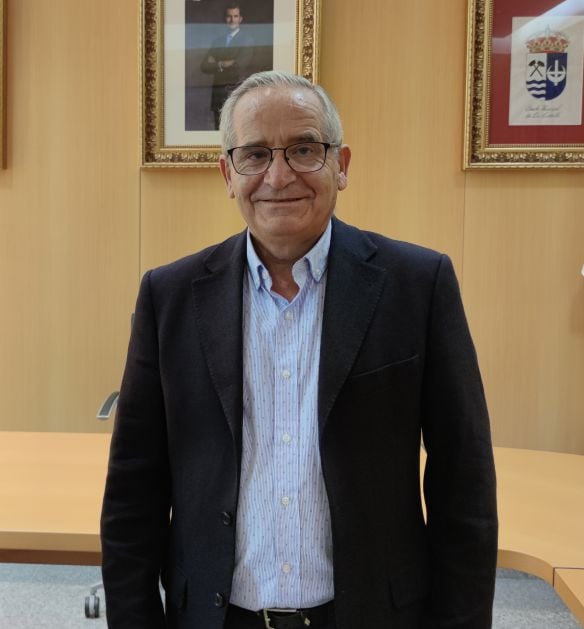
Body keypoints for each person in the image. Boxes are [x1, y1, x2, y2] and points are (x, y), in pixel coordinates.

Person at [100, 71, 497, 629]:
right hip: (215, 617)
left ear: (342, 165)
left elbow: (465, 482)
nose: (279, 175)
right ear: (227, 173)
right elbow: (133, 490)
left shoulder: (417, 285)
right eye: (256, 154)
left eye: (304, 149)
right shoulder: (169, 298)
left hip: (371, 615)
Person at [201, 3, 255, 129]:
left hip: (234, 90)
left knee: (235, 132)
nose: (232, 20)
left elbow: (239, 66)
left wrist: (215, 62)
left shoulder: (247, 40)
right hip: (217, 94)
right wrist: (222, 63)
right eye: (229, 16)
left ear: (240, 19)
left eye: (235, 16)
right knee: (217, 131)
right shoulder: (217, 41)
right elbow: (204, 66)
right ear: (225, 19)